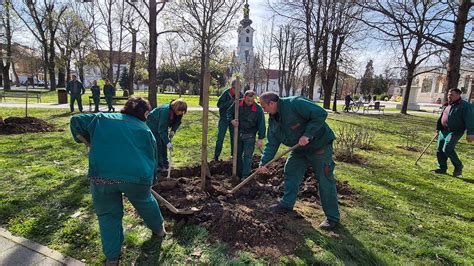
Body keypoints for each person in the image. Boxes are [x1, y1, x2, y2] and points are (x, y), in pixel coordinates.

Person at [70, 97, 165, 265]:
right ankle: (159, 230)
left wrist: (89, 142)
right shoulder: (145, 130)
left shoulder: (102, 119)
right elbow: (153, 158)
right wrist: (150, 180)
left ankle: (112, 258)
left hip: (102, 176)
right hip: (136, 178)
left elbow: (76, 120)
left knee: (108, 215)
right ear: (145, 113)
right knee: (145, 202)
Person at [256, 92, 340, 230]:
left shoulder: (295, 103)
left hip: (319, 146)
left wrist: (308, 134)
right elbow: (272, 143)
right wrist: (264, 163)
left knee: (325, 179)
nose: (263, 110)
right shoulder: (273, 120)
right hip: (300, 149)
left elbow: (320, 114)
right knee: (291, 170)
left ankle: (332, 217)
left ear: (272, 103)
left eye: (264, 106)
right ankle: (287, 203)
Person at [432, 88, 473, 177]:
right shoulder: (448, 104)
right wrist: (438, 128)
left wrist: (470, 133)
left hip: (455, 131)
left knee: (447, 148)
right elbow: (443, 116)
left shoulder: (465, 106)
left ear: (458, 95)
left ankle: (458, 166)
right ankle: (442, 168)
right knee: (440, 150)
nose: (449, 96)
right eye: (448, 94)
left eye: (452, 95)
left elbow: (470, 119)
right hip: (443, 131)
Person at [227, 90, 266, 179]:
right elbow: (229, 113)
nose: (249, 103)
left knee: (248, 156)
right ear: (244, 98)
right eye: (248, 100)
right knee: (237, 155)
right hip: (238, 134)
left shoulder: (258, 109)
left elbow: (261, 124)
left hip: (250, 135)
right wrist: (231, 120)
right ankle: (238, 174)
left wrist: (260, 138)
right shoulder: (237, 104)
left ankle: (245, 176)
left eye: (251, 101)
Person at [146, 99, 187, 172]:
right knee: (158, 144)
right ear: (175, 108)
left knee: (164, 144)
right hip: (153, 124)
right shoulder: (165, 111)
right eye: (180, 111)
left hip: (162, 125)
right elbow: (161, 130)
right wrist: (168, 142)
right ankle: (159, 165)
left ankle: (165, 164)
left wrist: (173, 130)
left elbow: (177, 122)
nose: (181, 113)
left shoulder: (178, 112)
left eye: (183, 111)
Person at [214, 80, 242, 161]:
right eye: (236, 88)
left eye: (239, 88)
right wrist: (230, 102)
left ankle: (233, 156)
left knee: (234, 138)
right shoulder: (226, 93)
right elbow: (219, 105)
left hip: (233, 120)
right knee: (220, 138)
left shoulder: (241, 95)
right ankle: (216, 156)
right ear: (232, 88)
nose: (238, 90)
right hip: (224, 119)